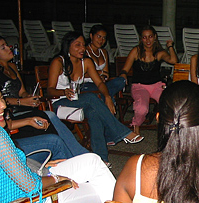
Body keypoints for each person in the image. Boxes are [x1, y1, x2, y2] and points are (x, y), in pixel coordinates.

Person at [0, 45, 77, 163]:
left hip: (3, 143)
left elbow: (4, 123)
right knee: (52, 138)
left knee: (46, 124)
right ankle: (74, 167)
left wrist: (28, 119)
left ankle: (76, 161)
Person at [0, 35, 90, 160]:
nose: (9, 48)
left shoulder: (12, 67)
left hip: (22, 108)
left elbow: (22, 92)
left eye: (7, 45)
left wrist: (29, 97)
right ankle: (73, 155)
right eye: (3, 47)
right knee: (47, 117)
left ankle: (76, 154)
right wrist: (20, 102)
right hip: (10, 113)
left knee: (48, 116)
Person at [47, 31, 143, 166]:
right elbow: (49, 90)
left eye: (83, 45)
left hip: (77, 102)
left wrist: (108, 96)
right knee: (91, 98)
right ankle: (122, 132)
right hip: (60, 104)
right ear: (68, 46)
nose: (82, 48)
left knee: (94, 113)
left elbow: (99, 83)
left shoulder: (85, 62)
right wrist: (64, 91)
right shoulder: (58, 62)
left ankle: (102, 159)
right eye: (77, 45)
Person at [119, 25, 178, 135]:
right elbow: (125, 69)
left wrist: (170, 47)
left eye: (150, 36)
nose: (148, 40)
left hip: (156, 85)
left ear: (155, 37)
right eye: (144, 37)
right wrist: (123, 75)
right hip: (139, 86)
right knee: (142, 108)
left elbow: (174, 60)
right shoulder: (136, 51)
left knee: (169, 103)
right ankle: (136, 124)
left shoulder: (159, 52)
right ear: (141, 39)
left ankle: (168, 126)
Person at [83, 25, 126, 99]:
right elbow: (81, 74)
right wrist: (99, 73)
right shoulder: (84, 52)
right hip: (88, 84)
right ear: (91, 36)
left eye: (104, 38)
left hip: (102, 84)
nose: (101, 40)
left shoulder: (104, 52)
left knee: (121, 80)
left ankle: (104, 96)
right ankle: (107, 98)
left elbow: (106, 73)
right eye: (99, 36)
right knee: (107, 91)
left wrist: (104, 77)